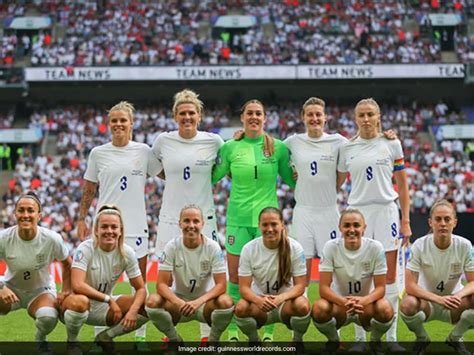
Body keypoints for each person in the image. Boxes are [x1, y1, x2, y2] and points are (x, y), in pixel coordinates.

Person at [77, 101, 161, 345]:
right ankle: (99, 337)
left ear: (131, 123)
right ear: (109, 124)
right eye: (114, 120)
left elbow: (169, 173)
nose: (118, 124)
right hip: (105, 228)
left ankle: (140, 337)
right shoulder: (98, 153)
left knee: (140, 284)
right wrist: (82, 218)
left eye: (123, 120)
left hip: (136, 226)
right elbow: (89, 189)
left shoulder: (144, 151)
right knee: (99, 282)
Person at [212, 99, 296, 341]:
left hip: (268, 223)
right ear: (242, 117)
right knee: (236, 279)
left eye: (258, 113)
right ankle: (232, 331)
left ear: (265, 118)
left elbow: (293, 180)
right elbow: (210, 176)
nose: (254, 117)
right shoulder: (229, 147)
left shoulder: (278, 148)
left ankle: (268, 331)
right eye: (249, 113)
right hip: (237, 219)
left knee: (270, 279)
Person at [337, 98, 411, 345]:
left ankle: (390, 337)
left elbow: (402, 186)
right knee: (360, 279)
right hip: (357, 214)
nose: (366, 119)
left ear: (378, 116)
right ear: (355, 118)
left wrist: (406, 220)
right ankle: (359, 338)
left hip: (387, 212)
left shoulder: (392, 143)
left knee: (389, 278)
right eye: (361, 115)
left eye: (370, 114)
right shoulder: (347, 148)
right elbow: (333, 181)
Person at [152, 90, 224, 340]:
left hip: (204, 218)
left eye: (191, 112)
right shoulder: (163, 141)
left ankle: (206, 334)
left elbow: (227, 164)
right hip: (170, 218)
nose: (187, 117)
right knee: (167, 276)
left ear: (199, 115)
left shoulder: (214, 141)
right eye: (182, 113)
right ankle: (170, 332)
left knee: (207, 275)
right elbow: (157, 170)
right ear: (175, 116)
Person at [62, 205, 148, 353]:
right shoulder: (85, 248)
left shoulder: (127, 253)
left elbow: (140, 288)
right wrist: (109, 299)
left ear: (120, 231)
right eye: (104, 227)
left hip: (104, 308)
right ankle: (72, 342)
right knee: (81, 302)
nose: (109, 231)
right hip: (77, 304)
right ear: (96, 230)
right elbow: (77, 285)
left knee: (149, 305)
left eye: (114, 227)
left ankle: (105, 337)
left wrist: (133, 311)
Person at [284, 97, 348, 286]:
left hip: (328, 210)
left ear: (325, 117)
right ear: (303, 118)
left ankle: (332, 310)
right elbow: (270, 150)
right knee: (301, 267)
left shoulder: (338, 142)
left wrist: (388, 135)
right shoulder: (292, 142)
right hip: (303, 211)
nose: (314, 118)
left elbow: (344, 170)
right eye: (310, 115)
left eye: (318, 114)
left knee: (334, 268)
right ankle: (301, 309)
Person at [145, 205, 234, 342]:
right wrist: (179, 303)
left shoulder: (213, 247)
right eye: (186, 221)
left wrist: (198, 302)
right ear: (180, 223)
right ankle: (175, 340)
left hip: (204, 304)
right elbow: (161, 285)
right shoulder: (171, 246)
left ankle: (212, 341)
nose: (191, 225)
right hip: (178, 304)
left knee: (226, 302)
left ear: (202, 224)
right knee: (152, 301)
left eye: (196, 221)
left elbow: (221, 285)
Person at [0, 192, 72, 353]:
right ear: (15, 214)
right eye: (21, 210)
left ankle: (41, 339)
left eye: (30, 211)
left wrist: (66, 290)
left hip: (40, 291)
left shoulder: (52, 238)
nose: (25, 215)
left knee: (48, 317)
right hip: (10, 288)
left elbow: (68, 264)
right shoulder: (3, 238)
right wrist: (1, 287)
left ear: (39, 215)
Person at [312, 209, 394, 350]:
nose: (351, 230)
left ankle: (374, 342)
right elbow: (323, 288)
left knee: (385, 308)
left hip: (366, 307)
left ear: (364, 228)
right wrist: (344, 302)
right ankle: (334, 341)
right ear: (340, 228)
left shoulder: (375, 248)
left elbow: (381, 288)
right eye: (347, 225)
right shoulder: (330, 247)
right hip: (340, 307)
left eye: (356, 225)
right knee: (319, 308)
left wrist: (363, 301)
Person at [400, 200, 474, 354]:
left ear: (454, 222)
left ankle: (455, 337)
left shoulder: (465, 245)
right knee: (407, 304)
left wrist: (458, 295)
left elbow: (473, 282)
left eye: (447, 219)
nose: (443, 224)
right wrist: (438, 299)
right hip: (427, 304)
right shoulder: (419, 245)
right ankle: (422, 338)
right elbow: (410, 286)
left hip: (454, 304)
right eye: (438, 219)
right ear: (430, 222)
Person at [234, 207, 310, 342]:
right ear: (259, 226)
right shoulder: (249, 249)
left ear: (282, 225)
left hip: (286, 304)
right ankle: (254, 341)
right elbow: (244, 288)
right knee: (240, 308)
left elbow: (300, 287)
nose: (269, 229)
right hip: (260, 305)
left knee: (302, 305)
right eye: (265, 225)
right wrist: (259, 300)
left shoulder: (295, 248)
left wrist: (281, 298)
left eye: (274, 224)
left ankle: (297, 341)